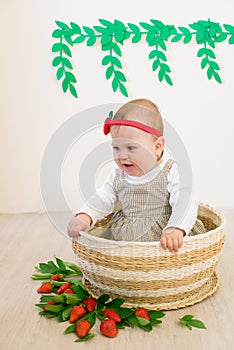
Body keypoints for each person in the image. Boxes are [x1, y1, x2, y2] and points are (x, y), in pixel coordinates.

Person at [67, 98, 206, 253]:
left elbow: (184, 199)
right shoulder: (118, 175)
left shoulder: (171, 171)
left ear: (157, 147)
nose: (122, 155)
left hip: (163, 233)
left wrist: (176, 227)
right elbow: (103, 197)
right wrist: (85, 215)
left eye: (131, 148)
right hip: (126, 234)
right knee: (109, 251)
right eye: (116, 148)